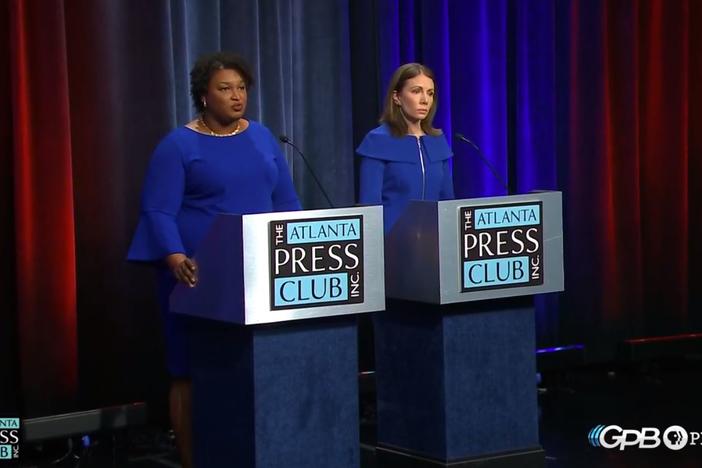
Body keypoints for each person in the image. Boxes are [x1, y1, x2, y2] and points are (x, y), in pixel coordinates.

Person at [127, 52, 300, 468]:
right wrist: (174, 258)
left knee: (251, 367)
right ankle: (192, 461)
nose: (237, 96)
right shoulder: (178, 145)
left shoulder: (260, 136)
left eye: (241, 88)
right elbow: (158, 211)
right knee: (188, 372)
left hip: (259, 274)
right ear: (204, 96)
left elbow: (286, 200)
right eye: (225, 88)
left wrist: (297, 245)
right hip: (195, 277)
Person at [356, 62, 454, 232]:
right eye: (416, 91)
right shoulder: (378, 141)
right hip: (391, 243)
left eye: (430, 93)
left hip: (434, 244)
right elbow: (370, 205)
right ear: (397, 97)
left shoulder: (437, 141)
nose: (425, 100)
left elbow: (447, 202)